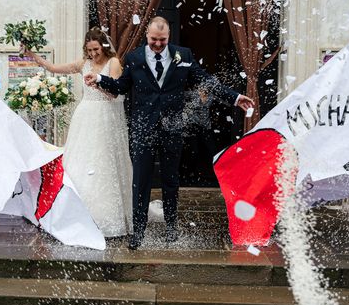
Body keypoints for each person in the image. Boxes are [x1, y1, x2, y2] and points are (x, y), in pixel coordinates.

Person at [85, 16, 254, 249]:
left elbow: (205, 80)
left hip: (172, 127)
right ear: (147, 35)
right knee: (140, 181)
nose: (157, 44)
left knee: (171, 180)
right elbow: (121, 87)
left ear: (168, 38)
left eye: (162, 40)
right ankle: (139, 231)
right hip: (143, 129)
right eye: (154, 39)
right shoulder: (134, 58)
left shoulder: (183, 56)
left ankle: (172, 227)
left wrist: (234, 98)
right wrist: (100, 79)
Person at [24, 28, 132, 237]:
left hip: (106, 117)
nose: (93, 54)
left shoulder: (114, 63)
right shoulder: (84, 64)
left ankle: (105, 216)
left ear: (104, 46)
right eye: (89, 50)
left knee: (103, 162)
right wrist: (32, 55)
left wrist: (97, 84)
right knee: (81, 161)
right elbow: (54, 68)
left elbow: (114, 94)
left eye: (96, 49)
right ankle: (73, 212)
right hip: (85, 117)